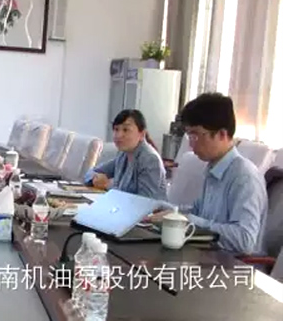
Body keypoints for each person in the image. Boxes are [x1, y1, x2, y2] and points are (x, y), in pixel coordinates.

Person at [151, 93, 267, 255]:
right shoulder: (213, 168)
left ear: (222, 134)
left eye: (196, 135)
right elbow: (198, 212)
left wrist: (189, 221)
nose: (191, 144)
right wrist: (170, 211)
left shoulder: (245, 177)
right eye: (189, 136)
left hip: (234, 265)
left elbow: (244, 240)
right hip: (207, 255)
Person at [84, 110, 167, 201]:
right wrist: (95, 179)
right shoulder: (123, 154)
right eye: (116, 129)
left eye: (126, 130)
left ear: (142, 134)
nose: (119, 135)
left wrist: (107, 184)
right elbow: (90, 172)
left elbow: (144, 201)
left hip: (149, 210)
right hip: (121, 207)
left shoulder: (150, 159)